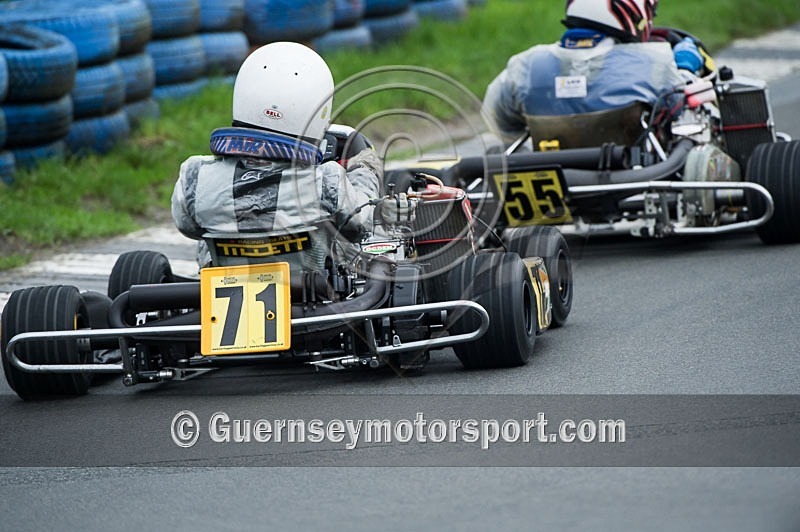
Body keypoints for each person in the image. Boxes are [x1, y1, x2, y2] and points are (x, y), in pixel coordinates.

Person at [170, 42, 416, 267]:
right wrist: (365, 167)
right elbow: (361, 223)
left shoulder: (194, 177)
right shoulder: (325, 181)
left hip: (220, 291)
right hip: (313, 297)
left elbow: (189, 227)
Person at [483, 0, 705, 147]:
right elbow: (684, 106)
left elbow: (497, 118)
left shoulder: (525, 66)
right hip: (633, 177)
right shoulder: (654, 61)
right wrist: (685, 68)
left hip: (550, 171)